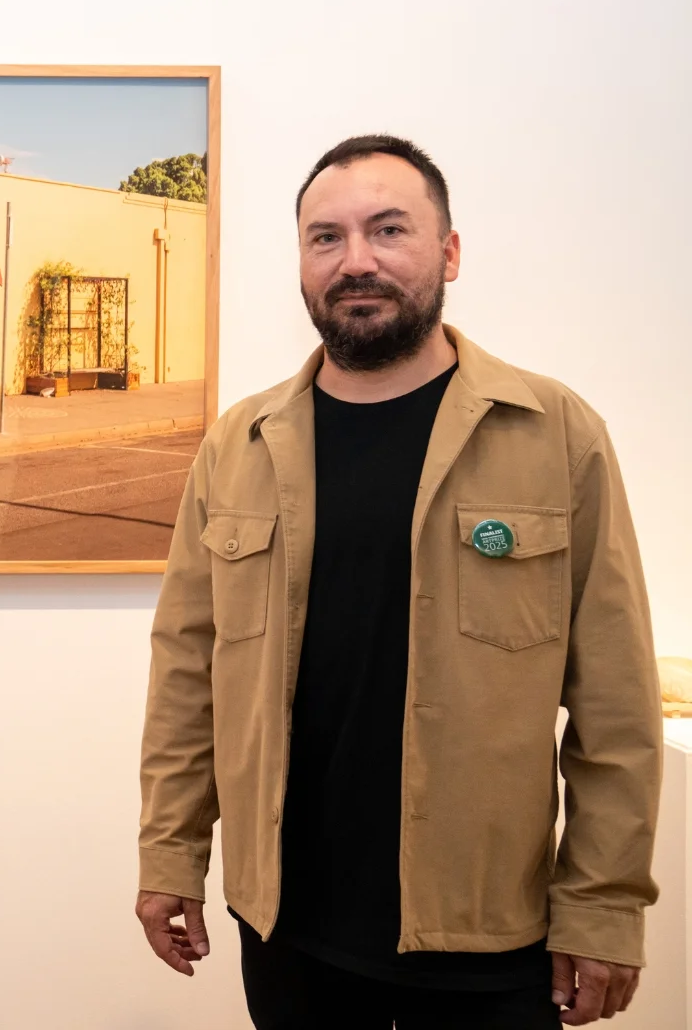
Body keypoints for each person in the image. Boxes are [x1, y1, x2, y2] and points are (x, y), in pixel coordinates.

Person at [135, 136, 662, 1029]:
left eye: (389, 230)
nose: (357, 261)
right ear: (302, 263)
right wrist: (169, 854)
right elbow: (188, 671)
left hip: (487, 935)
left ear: (449, 252)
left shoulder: (554, 433)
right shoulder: (240, 443)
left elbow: (614, 699)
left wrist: (605, 906)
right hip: (286, 927)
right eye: (326, 238)